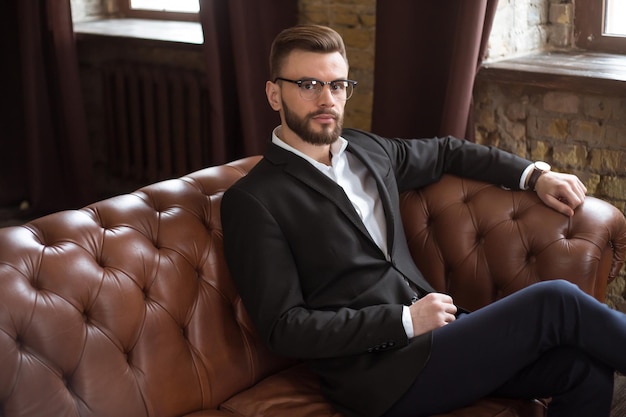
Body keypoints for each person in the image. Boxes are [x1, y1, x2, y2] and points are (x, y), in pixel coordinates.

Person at [221, 24, 625, 417]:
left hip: (440, 336)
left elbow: (447, 152)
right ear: (275, 94)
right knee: (555, 300)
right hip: (380, 374)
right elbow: (284, 327)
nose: (327, 98)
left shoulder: (366, 150)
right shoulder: (255, 199)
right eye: (309, 85)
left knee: (583, 368)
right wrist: (404, 320)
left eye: (338, 84)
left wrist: (535, 176)